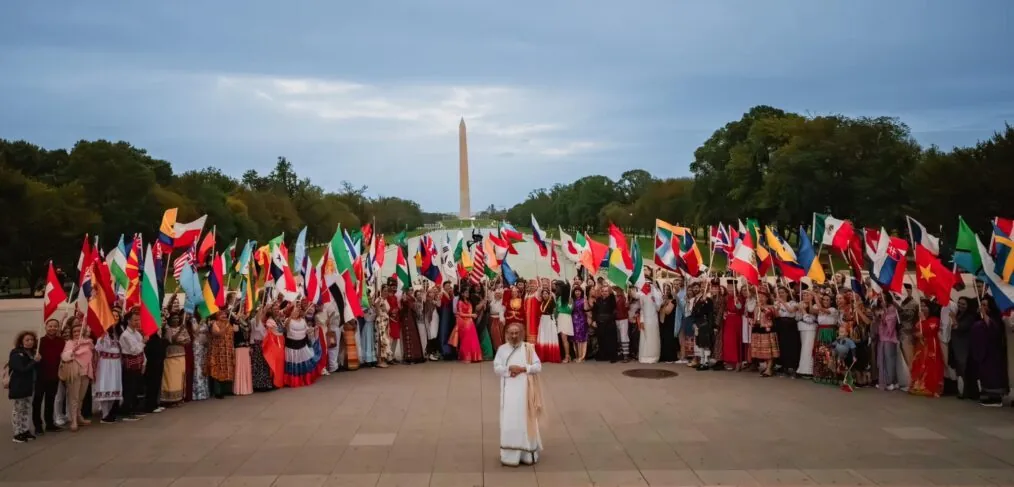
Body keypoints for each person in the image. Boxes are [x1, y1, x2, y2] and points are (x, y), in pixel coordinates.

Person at [493, 322, 544, 467]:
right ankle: (510, 456)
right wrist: (509, 369)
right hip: (509, 393)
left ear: (521, 333)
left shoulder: (528, 348)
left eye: (517, 333)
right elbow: (497, 368)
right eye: (511, 333)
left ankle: (527, 455)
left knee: (525, 421)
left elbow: (538, 366)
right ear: (507, 334)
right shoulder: (502, 349)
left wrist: (523, 368)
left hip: (526, 393)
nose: (514, 336)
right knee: (510, 421)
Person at [968, 296, 1010, 406]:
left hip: (993, 352)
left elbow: (993, 329)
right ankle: (988, 396)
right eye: (981, 305)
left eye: (984, 305)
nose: (982, 307)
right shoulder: (979, 317)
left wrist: (985, 314)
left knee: (993, 374)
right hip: (982, 352)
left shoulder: (995, 317)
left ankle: (996, 398)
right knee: (984, 375)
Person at [32, 319, 64, 435]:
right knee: (37, 401)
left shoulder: (61, 342)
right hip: (41, 377)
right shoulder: (39, 342)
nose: (52, 328)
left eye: (55, 326)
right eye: (50, 326)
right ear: (46, 327)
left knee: (50, 401)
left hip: (54, 376)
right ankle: (38, 425)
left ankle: (49, 423)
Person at [60, 322, 94, 432]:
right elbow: (64, 357)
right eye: (74, 331)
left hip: (85, 372)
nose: (76, 333)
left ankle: (79, 417)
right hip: (74, 373)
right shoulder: (69, 343)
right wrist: (73, 350)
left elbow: (91, 357)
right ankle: (73, 420)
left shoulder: (88, 343)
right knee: (73, 398)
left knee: (81, 397)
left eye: (79, 331)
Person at [909, 300, 944, 397]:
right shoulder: (920, 320)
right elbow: (916, 330)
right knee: (920, 363)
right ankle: (918, 385)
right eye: (922, 306)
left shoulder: (934, 319)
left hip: (931, 344)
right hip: (921, 345)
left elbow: (929, 330)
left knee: (931, 364)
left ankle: (931, 387)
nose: (923, 308)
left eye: (925, 306)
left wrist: (923, 319)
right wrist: (916, 334)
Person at [9, 331, 39, 442]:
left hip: (30, 385)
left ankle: (25, 430)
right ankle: (17, 433)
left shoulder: (32, 353)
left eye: (32, 340)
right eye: (27, 340)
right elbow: (21, 369)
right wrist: (34, 362)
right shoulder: (16, 353)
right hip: (20, 385)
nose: (30, 342)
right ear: (21, 342)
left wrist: (36, 360)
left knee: (27, 408)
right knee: (18, 409)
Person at [119, 309, 146, 421]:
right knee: (129, 388)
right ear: (128, 321)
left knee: (135, 388)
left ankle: (134, 409)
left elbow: (141, 351)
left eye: (138, 320)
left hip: (138, 364)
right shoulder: (125, 335)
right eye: (135, 320)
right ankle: (126, 411)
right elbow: (134, 350)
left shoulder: (137, 333)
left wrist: (144, 362)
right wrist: (143, 342)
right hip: (130, 364)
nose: (137, 322)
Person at [161, 312, 192, 405]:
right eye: (174, 318)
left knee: (180, 378)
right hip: (171, 357)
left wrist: (181, 340)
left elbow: (188, 340)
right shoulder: (168, 329)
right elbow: (171, 341)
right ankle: (169, 400)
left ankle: (179, 398)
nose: (176, 320)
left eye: (177, 318)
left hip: (181, 356)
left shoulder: (183, 329)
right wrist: (179, 333)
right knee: (171, 379)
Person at [207, 310, 236, 398]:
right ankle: (218, 392)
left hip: (228, 350)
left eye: (225, 314)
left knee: (228, 370)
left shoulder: (229, 323)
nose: (224, 316)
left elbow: (235, 332)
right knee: (218, 370)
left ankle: (227, 390)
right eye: (222, 314)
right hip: (218, 352)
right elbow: (218, 333)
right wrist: (225, 327)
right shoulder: (215, 323)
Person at [876, 293, 901, 391]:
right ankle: (884, 381)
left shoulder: (892, 308)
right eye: (880, 300)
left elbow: (891, 322)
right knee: (882, 360)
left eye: (883, 299)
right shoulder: (882, 309)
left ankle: (892, 381)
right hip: (882, 337)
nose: (881, 301)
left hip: (890, 337)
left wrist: (884, 316)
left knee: (890, 360)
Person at [454, 285, 484, 363]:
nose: (467, 294)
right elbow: (460, 313)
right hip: (463, 323)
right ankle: (466, 356)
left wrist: (472, 315)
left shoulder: (469, 302)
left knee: (473, 339)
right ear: (462, 294)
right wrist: (471, 315)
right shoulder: (460, 302)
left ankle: (475, 357)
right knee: (466, 340)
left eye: (468, 292)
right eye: (466, 292)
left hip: (470, 322)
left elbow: (470, 311)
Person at [591, 285, 619, 362]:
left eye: (606, 291)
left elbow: (614, 310)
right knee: (601, 339)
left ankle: (613, 357)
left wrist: (612, 293)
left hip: (609, 322)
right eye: (603, 291)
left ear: (609, 292)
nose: (604, 293)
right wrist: (594, 320)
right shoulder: (598, 300)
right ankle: (603, 356)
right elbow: (595, 311)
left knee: (611, 340)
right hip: (600, 322)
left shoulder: (611, 299)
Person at [636, 281, 662, 364]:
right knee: (645, 338)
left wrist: (655, 300)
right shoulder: (642, 296)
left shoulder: (655, 295)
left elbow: (658, 308)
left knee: (653, 337)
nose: (648, 287)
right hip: (645, 320)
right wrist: (642, 321)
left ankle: (654, 356)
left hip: (654, 319)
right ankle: (645, 357)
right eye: (646, 285)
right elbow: (642, 310)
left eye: (649, 285)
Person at [721, 283, 743, 370]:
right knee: (728, 341)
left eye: (731, 289)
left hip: (736, 320)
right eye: (728, 289)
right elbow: (725, 308)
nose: (730, 290)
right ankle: (729, 361)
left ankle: (737, 361)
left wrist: (737, 302)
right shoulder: (726, 298)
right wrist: (725, 314)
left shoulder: (738, 297)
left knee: (735, 340)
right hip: (728, 320)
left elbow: (740, 308)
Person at [535, 289, 561, 363]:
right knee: (543, 337)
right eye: (543, 294)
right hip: (543, 320)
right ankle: (543, 356)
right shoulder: (542, 302)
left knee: (550, 337)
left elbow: (555, 310)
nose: (544, 295)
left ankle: (551, 356)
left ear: (549, 294)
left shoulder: (552, 301)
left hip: (549, 320)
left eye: (546, 293)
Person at [373, 288, 394, 368]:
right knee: (380, 341)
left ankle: (383, 359)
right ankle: (379, 360)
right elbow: (377, 312)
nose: (386, 292)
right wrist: (378, 307)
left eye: (387, 291)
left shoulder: (385, 300)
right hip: (380, 322)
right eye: (384, 291)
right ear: (381, 292)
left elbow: (386, 311)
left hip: (385, 322)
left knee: (385, 340)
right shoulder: (379, 299)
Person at [555, 283, 574, 363]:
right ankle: (567, 355)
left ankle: (567, 356)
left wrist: (568, 305)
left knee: (564, 339)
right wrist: (555, 318)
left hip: (566, 318)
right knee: (562, 339)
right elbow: (556, 309)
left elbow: (569, 310)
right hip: (560, 318)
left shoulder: (570, 299)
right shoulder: (559, 298)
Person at [659, 285, 678, 364]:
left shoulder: (673, 300)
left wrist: (665, 304)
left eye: (668, 289)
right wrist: (662, 304)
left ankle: (670, 357)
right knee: (663, 339)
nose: (666, 291)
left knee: (669, 339)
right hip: (663, 321)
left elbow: (667, 311)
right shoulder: (662, 300)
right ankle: (663, 356)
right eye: (665, 289)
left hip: (670, 322)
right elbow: (659, 310)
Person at [571, 287, 589, 362]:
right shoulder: (572, 300)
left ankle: (582, 356)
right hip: (573, 321)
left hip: (582, 320)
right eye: (576, 291)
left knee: (581, 338)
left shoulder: (583, 300)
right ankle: (577, 355)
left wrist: (585, 301)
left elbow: (586, 309)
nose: (577, 292)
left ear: (581, 292)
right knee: (575, 338)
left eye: (579, 291)